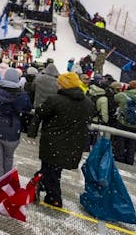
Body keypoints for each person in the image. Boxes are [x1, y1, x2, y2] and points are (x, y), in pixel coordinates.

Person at [36, 73, 95, 208]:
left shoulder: (55, 100)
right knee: (54, 170)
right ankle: (40, 184)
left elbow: (41, 112)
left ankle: (54, 198)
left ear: (64, 85)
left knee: (50, 170)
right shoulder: (88, 103)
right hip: (72, 144)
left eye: (60, 83)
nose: (58, 85)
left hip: (53, 142)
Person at [0, 67, 31, 182]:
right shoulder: (21, 94)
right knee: (8, 158)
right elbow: (28, 107)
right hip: (12, 131)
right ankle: (5, 184)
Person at [112, 80, 136, 165]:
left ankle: (119, 157)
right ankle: (129, 159)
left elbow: (115, 98)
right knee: (132, 142)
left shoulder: (123, 95)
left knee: (120, 140)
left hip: (123, 121)